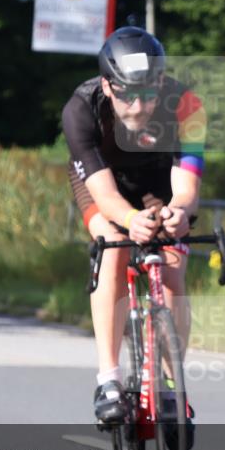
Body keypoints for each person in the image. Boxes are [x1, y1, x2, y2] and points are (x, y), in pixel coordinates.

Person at [62, 26, 206, 424]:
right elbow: (103, 192)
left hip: (159, 182)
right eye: (127, 94)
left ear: (161, 81)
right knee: (114, 245)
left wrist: (178, 210)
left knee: (174, 264)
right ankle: (108, 379)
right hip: (103, 182)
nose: (138, 107)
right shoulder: (81, 108)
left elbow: (187, 183)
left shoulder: (187, 105)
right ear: (108, 85)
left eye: (148, 93)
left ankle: (171, 385)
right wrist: (127, 221)